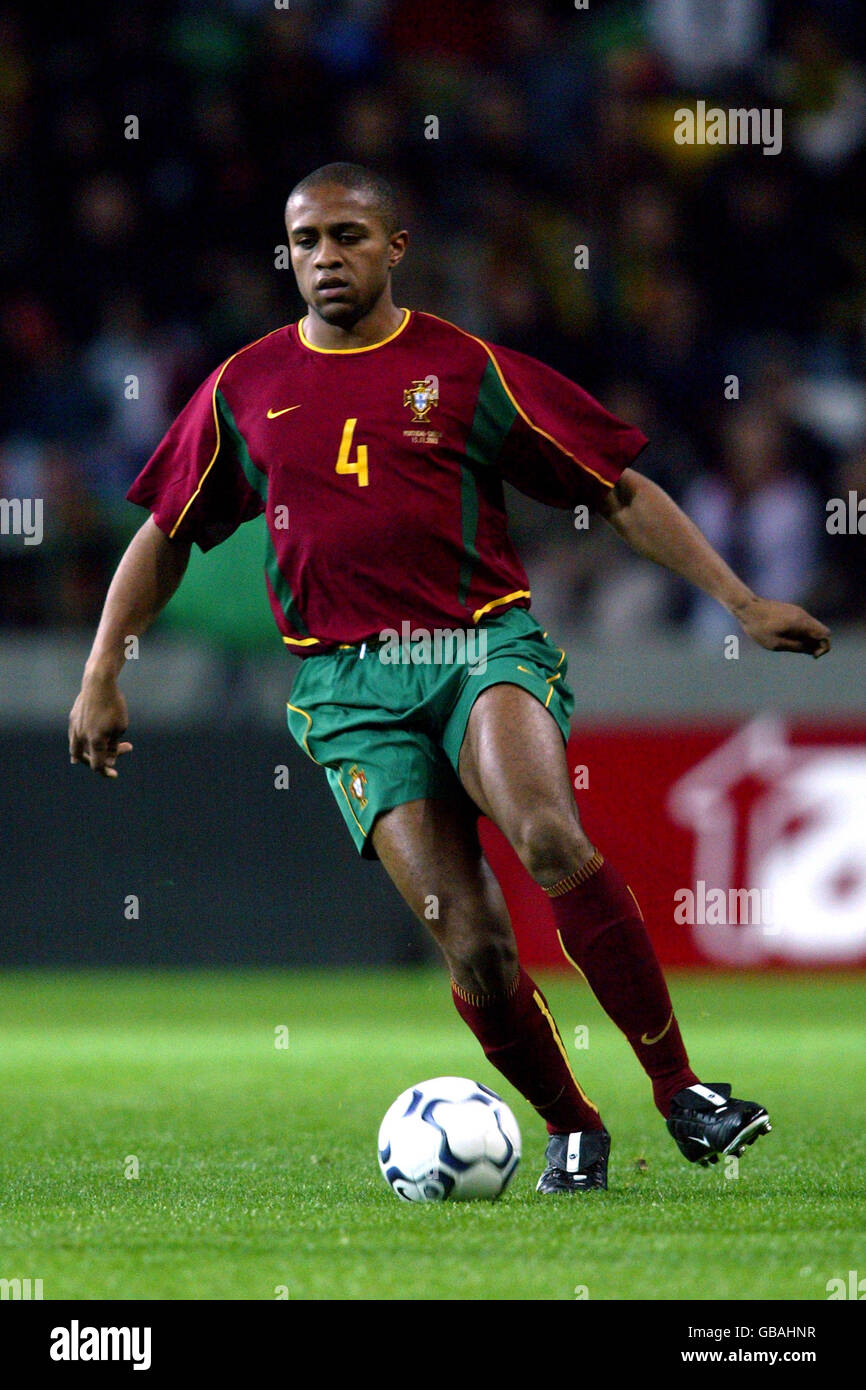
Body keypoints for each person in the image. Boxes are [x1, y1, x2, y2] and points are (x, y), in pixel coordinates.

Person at [68, 164, 831, 1194]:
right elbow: (165, 534)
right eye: (304, 242)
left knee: (550, 835)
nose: (324, 258)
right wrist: (102, 668)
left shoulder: (464, 369)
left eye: (347, 236)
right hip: (344, 690)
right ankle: (572, 1124)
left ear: (395, 247)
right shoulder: (243, 386)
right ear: (285, 256)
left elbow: (614, 487)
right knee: (472, 949)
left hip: (476, 647)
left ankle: (681, 1088)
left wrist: (739, 602)